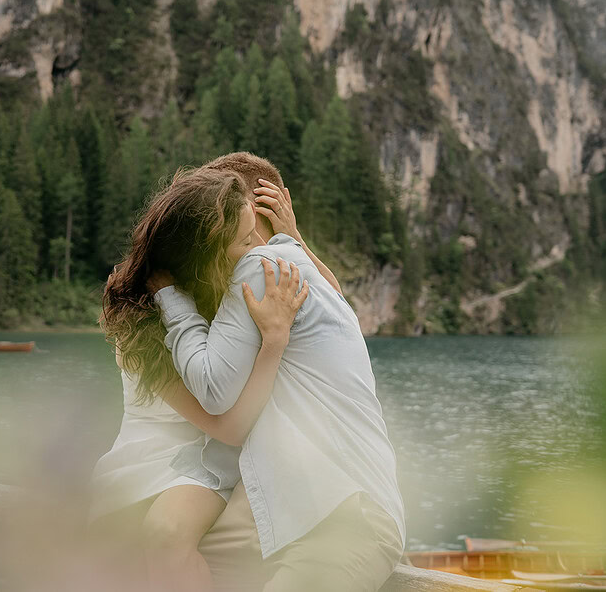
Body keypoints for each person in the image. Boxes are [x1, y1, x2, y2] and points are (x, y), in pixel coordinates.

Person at [149, 174, 407, 591]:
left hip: (343, 520)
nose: (254, 244)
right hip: (309, 509)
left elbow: (214, 392)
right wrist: (294, 235)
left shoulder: (259, 268)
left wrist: (171, 298)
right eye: (243, 236)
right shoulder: (302, 266)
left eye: (252, 230)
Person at [92, 167, 309, 592]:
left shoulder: (218, 301)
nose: (260, 249)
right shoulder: (145, 327)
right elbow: (227, 429)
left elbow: (340, 313)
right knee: (166, 535)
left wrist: (295, 241)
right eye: (247, 240)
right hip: (163, 465)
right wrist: (273, 343)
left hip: (208, 461)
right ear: (204, 253)